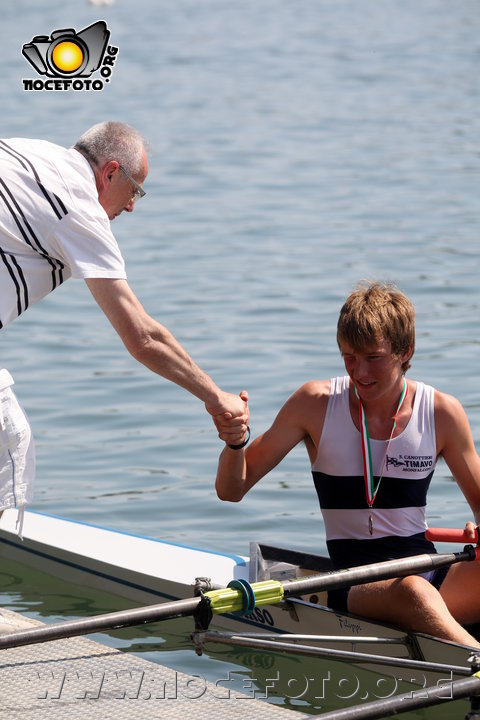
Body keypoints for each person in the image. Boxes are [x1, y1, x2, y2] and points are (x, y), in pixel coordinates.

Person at [0, 121, 247, 528]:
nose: (131, 206)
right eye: (135, 189)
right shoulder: (78, 206)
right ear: (110, 171)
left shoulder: (29, 152)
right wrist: (216, 397)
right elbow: (143, 337)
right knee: (10, 441)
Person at [215, 281, 480, 647]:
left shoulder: (441, 412)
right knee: (414, 594)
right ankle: (472, 657)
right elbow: (231, 489)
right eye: (348, 357)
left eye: (373, 357)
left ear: (406, 351)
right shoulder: (315, 403)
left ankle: (443, 634)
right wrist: (235, 442)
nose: (359, 372)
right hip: (354, 582)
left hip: (429, 571)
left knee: (420, 589)